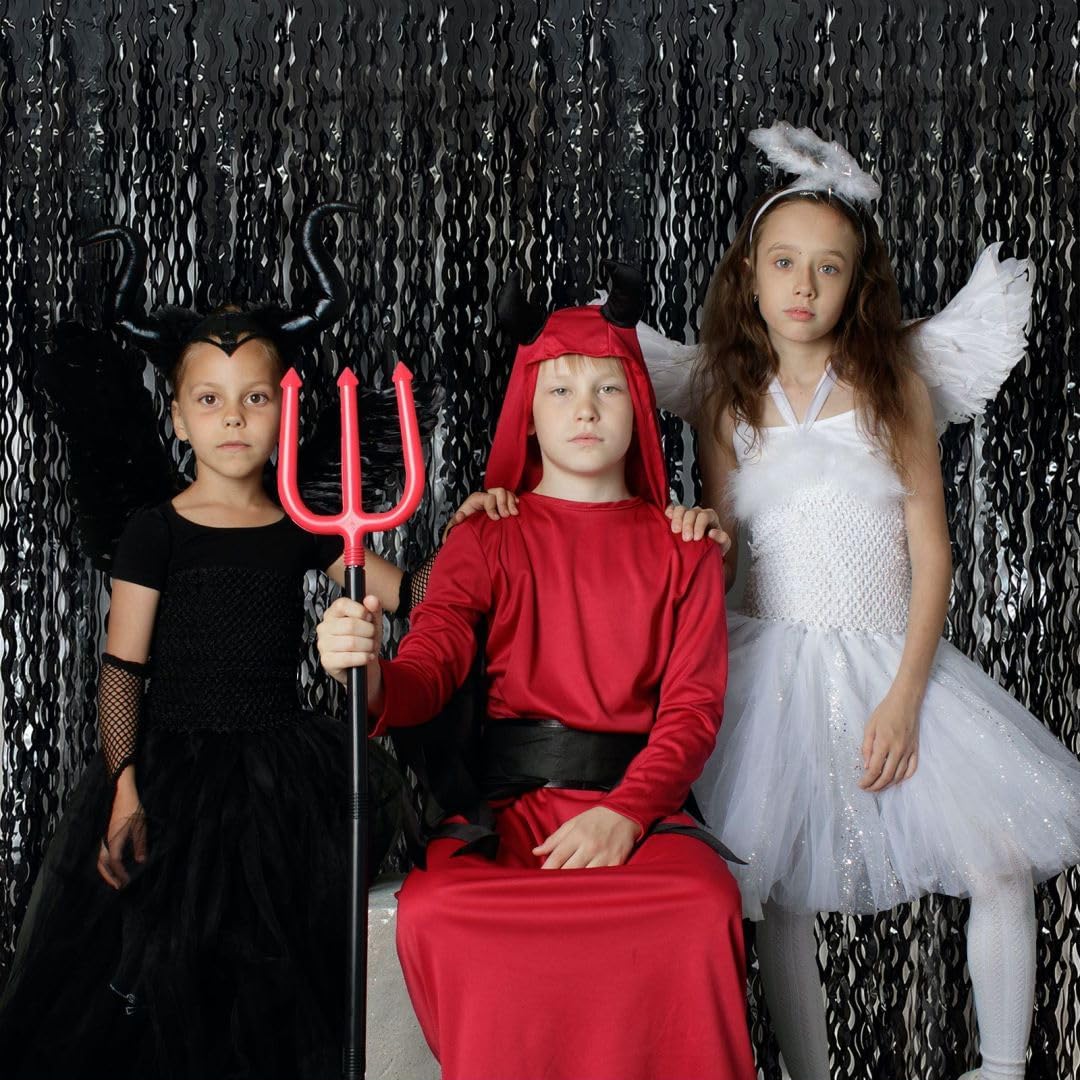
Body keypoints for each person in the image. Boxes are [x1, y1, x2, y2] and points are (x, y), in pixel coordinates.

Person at [640, 123, 1080, 1080]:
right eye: (784, 263)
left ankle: (1002, 1069)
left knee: (999, 859)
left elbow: (934, 552)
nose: (803, 286)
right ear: (749, 273)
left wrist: (906, 697)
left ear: (855, 284)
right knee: (776, 888)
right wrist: (692, 554)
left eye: (827, 268)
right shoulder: (724, 397)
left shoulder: (893, 389)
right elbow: (727, 547)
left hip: (889, 657)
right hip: (770, 663)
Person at [316, 267, 758, 1080]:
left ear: (639, 405)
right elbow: (427, 672)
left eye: (606, 388)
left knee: (702, 903)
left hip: (640, 814)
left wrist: (624, 815)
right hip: (513, 820)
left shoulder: (685, 548)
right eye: (560, 390)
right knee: (440, 907)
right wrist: (366, 671)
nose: (584, 409)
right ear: (528, 410)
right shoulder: (485, 537)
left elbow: (692, 713)